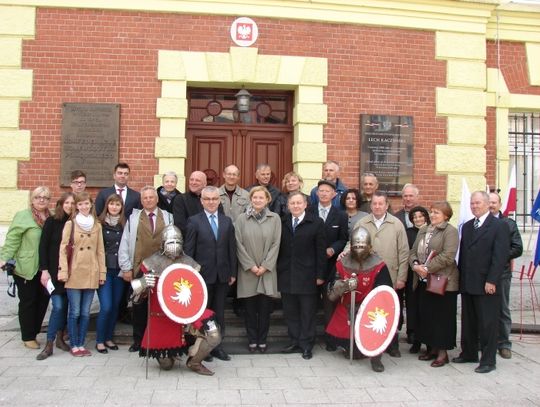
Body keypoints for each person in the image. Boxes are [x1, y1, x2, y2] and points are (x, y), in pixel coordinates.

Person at [130, 225, 220, 375]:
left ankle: (194, 362)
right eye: (170, 242)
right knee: (166, 365)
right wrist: (144, 285)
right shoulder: (151, 263)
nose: (174, 246)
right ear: (163, 243)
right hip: (161, 317)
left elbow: (197, 292)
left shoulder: (189, 263)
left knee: (213, 332)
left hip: (187, 313)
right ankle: (171, 354)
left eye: (177, 241)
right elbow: (135, 299)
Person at [452, 191, 510, 374]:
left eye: (478, 203)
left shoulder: (499, 225)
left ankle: (488, 360)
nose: (474, 206)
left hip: (487, 284)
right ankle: (469, 353)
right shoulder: (468, 226)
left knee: (487, 324)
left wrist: (492, 280)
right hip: (469, 282)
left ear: (487, 204)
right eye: (472, 203)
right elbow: (464, 255)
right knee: (469, 321)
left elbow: (500, 257)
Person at [347, 191, 409, 357]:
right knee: (369, 310)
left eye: (381, 203)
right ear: (371, 205)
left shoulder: (396, 224)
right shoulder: (362, 222)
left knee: (389, 310)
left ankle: (392, 345)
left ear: (387, 205)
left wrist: (402, 278)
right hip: (367, 274)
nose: (377, 206)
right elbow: (352, 242)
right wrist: (344, 253)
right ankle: (368, 343)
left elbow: (404, 253)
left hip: (390, 274)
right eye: (374, 203)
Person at [326, 225, 393, 372]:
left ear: (369, 246)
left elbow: (385, 290)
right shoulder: (342, 262)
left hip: (371, 309)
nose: (359, 248)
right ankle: (351, 348)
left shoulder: (379, 265)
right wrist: (343, 285)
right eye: (356, 245)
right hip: (348, 306)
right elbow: (331, 293)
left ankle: (376, 359)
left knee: (375, 330)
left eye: (362, 245)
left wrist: (370, 301)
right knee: (353, 352)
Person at [118, 186, 174, 353]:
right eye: (145, 198)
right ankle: (138, 340)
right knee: (139, 305)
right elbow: (125, 244)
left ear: (157, 199)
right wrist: (126, 268)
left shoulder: (168, 217)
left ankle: (161, 338)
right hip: (140, 268)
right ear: (141, 201)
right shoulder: (133, 219)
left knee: (160, 305)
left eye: (151, 197)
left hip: (163, 269)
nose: (148, 200)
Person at [184, 186, 237, 361]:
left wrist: (232, 272)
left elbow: (231, 249)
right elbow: (189, 251)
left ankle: (217, 347)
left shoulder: (227, 221)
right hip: (201, 277)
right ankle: (202, 348)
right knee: (203, 313)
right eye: (207, 199)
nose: (211, 202)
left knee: (219, 312)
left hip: (222, 275)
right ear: (201, 201)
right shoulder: (193, 221)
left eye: (214, 199)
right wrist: (190, 275)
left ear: (219, 200)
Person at [0, 186, 51, 350]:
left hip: (45, 268)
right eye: (38, 197)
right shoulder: (23, 216)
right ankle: (28, 335)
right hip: (26, 267)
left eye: (45, 197)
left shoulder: (50, 217)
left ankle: (34, 331)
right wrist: (4, 258)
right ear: (32, 199)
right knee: (28, 302)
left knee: (43, 301)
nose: (41, 200)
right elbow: (12, 239)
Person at [409, 201, 459, 367]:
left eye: (437, 212)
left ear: (446, 215)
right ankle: (431, 349)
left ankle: (443, 353)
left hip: (442, 282)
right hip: (423, 280)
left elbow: (447, 256)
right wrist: (415, 264)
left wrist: (427, 268)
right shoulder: (424, 230)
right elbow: (413, 251)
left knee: (441, 318)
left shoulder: (450, 231)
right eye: (431, 212)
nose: (432, 215)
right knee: (428, 316)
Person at [277, 191, 326, 360]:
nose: (296, 206)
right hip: (286, 274)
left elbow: (321, 251)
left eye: (299, 203)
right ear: (288, 206)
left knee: (307, 312)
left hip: (308, 276)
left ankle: (306, 344)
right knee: (290, 312)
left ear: (305, 205)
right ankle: (295, 341)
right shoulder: (282, 222)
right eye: (292, 203)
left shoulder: (316, 223)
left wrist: (320, 275)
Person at [58, 192, 106, 357]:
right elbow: (63, 249)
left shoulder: (97, 225)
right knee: (75, 311)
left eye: (86, 204)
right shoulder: (70, 224)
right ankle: (74, 343)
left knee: (85, 312)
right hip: (75, 272)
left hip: (91, 271)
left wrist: (102, 272)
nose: (84, 207)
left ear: (91, 205)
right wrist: (63, 271)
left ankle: (81, 343)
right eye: (80, 204)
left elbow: (100, 251)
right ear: (76, 206)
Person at [235, 186, 281, 353]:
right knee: (249, 310)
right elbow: (238, 244)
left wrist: (266, 266)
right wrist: (251, 266)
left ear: (267, 199)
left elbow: (276, 244)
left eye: (261, 198)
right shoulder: (241, 219)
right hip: (248, 271)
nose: (258, 200)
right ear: (251, 199)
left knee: (264, 310)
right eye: (255, 197)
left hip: (267, 272)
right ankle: (252, 340)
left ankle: (262, 340)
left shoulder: (275, 218)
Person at [35, 192, 75, 360]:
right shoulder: (52, 222)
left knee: (66, 306)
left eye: (73, 203)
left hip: (71, 272)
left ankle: (60, 338)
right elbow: (43, 247)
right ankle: (49, 343)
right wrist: (44, 270)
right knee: (58, 306)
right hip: (53, 271)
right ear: (60, 204)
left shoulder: (76, 224)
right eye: (67, 203)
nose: (70, 206)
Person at [310, 180, 348, 352]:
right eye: (321, 191)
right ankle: (309, 337)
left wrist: (334, 249)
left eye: (327, 191)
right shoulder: (308, 211)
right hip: (310, 265)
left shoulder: (340, 215)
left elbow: (344, 238)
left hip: (330, 267)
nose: (324, 193)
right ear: (317, 193)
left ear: (334, 194)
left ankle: (330, 339)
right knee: (309, 303)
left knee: (329, 304)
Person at [488, 192, 523, 359]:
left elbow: (517, 248)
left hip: (502, 274)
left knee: (502, 308)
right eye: (489, 202)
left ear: (500, 205)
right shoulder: (481, 224)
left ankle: (504, 344)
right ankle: (486, 341)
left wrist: (498, 256)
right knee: (485, 309)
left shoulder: (508, 224)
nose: (491, 205)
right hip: (483, 273)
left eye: (494, 202)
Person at [95, 194, 126, 354]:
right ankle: (100, 340)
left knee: (115, 307)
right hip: (104, 270)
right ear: (107, 205)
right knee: (106, 306)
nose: (114, 207)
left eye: (118, 205)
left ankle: (108, 338)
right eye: (112, 204)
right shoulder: (99, 224)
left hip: (119, 270)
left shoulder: (124, 224)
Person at [404, 206, 430, 353]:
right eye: (415, 217)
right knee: (412, 305)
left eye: (420, 216)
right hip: (412, 274)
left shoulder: (432, 231)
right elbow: (407, 252)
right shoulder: (408, 233)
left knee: (425, 307)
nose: (418, 219)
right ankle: (413, 334)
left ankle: (426, 338)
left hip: (429, 275)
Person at [173, 170, 207, 235]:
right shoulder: (180, 199)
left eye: (197, 180)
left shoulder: (211, 199)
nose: (193, 182)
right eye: (191, 180)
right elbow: (180, 224)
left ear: (205, 184)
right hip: (189, 240)